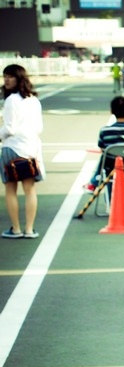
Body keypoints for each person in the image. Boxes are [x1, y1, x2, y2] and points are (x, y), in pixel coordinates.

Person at [1, 64, 43, 240]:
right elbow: (39, 127)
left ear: (18, 78)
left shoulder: (11, 100)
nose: (6, 80)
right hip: (30, 148)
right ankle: (30, 229)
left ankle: (16, 229)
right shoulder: (34, 100)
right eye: (5, 77)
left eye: (10, 76)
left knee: (11, 190)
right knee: (30, 190)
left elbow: (9, 128)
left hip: (12, 148)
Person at [85, 96, 124, 192]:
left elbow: (102, 148)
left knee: (105, 157)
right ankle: (95, 181)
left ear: (111, 111)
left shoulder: (105, 131)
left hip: (111, 168)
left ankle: (96, 181)